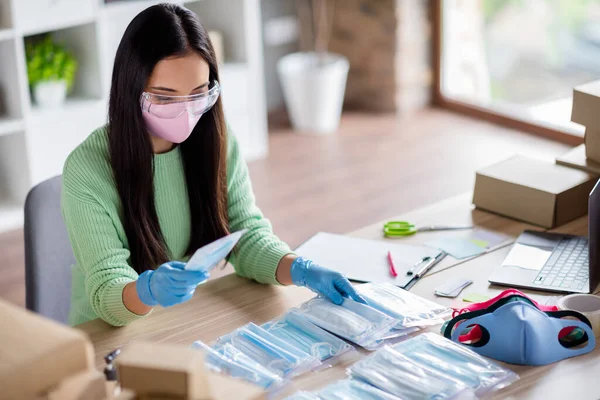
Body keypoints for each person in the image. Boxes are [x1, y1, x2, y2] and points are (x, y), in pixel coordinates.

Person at [62, 3, 363, 327]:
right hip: (107, 331)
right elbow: (108, 289)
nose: (186, 111)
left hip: (184, 317)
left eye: (198, 94)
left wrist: (298, 268)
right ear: (130, 90)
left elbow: (244, 234)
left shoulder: (214, 140)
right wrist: (147, 290)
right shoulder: (88, 170)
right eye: (164, 97)